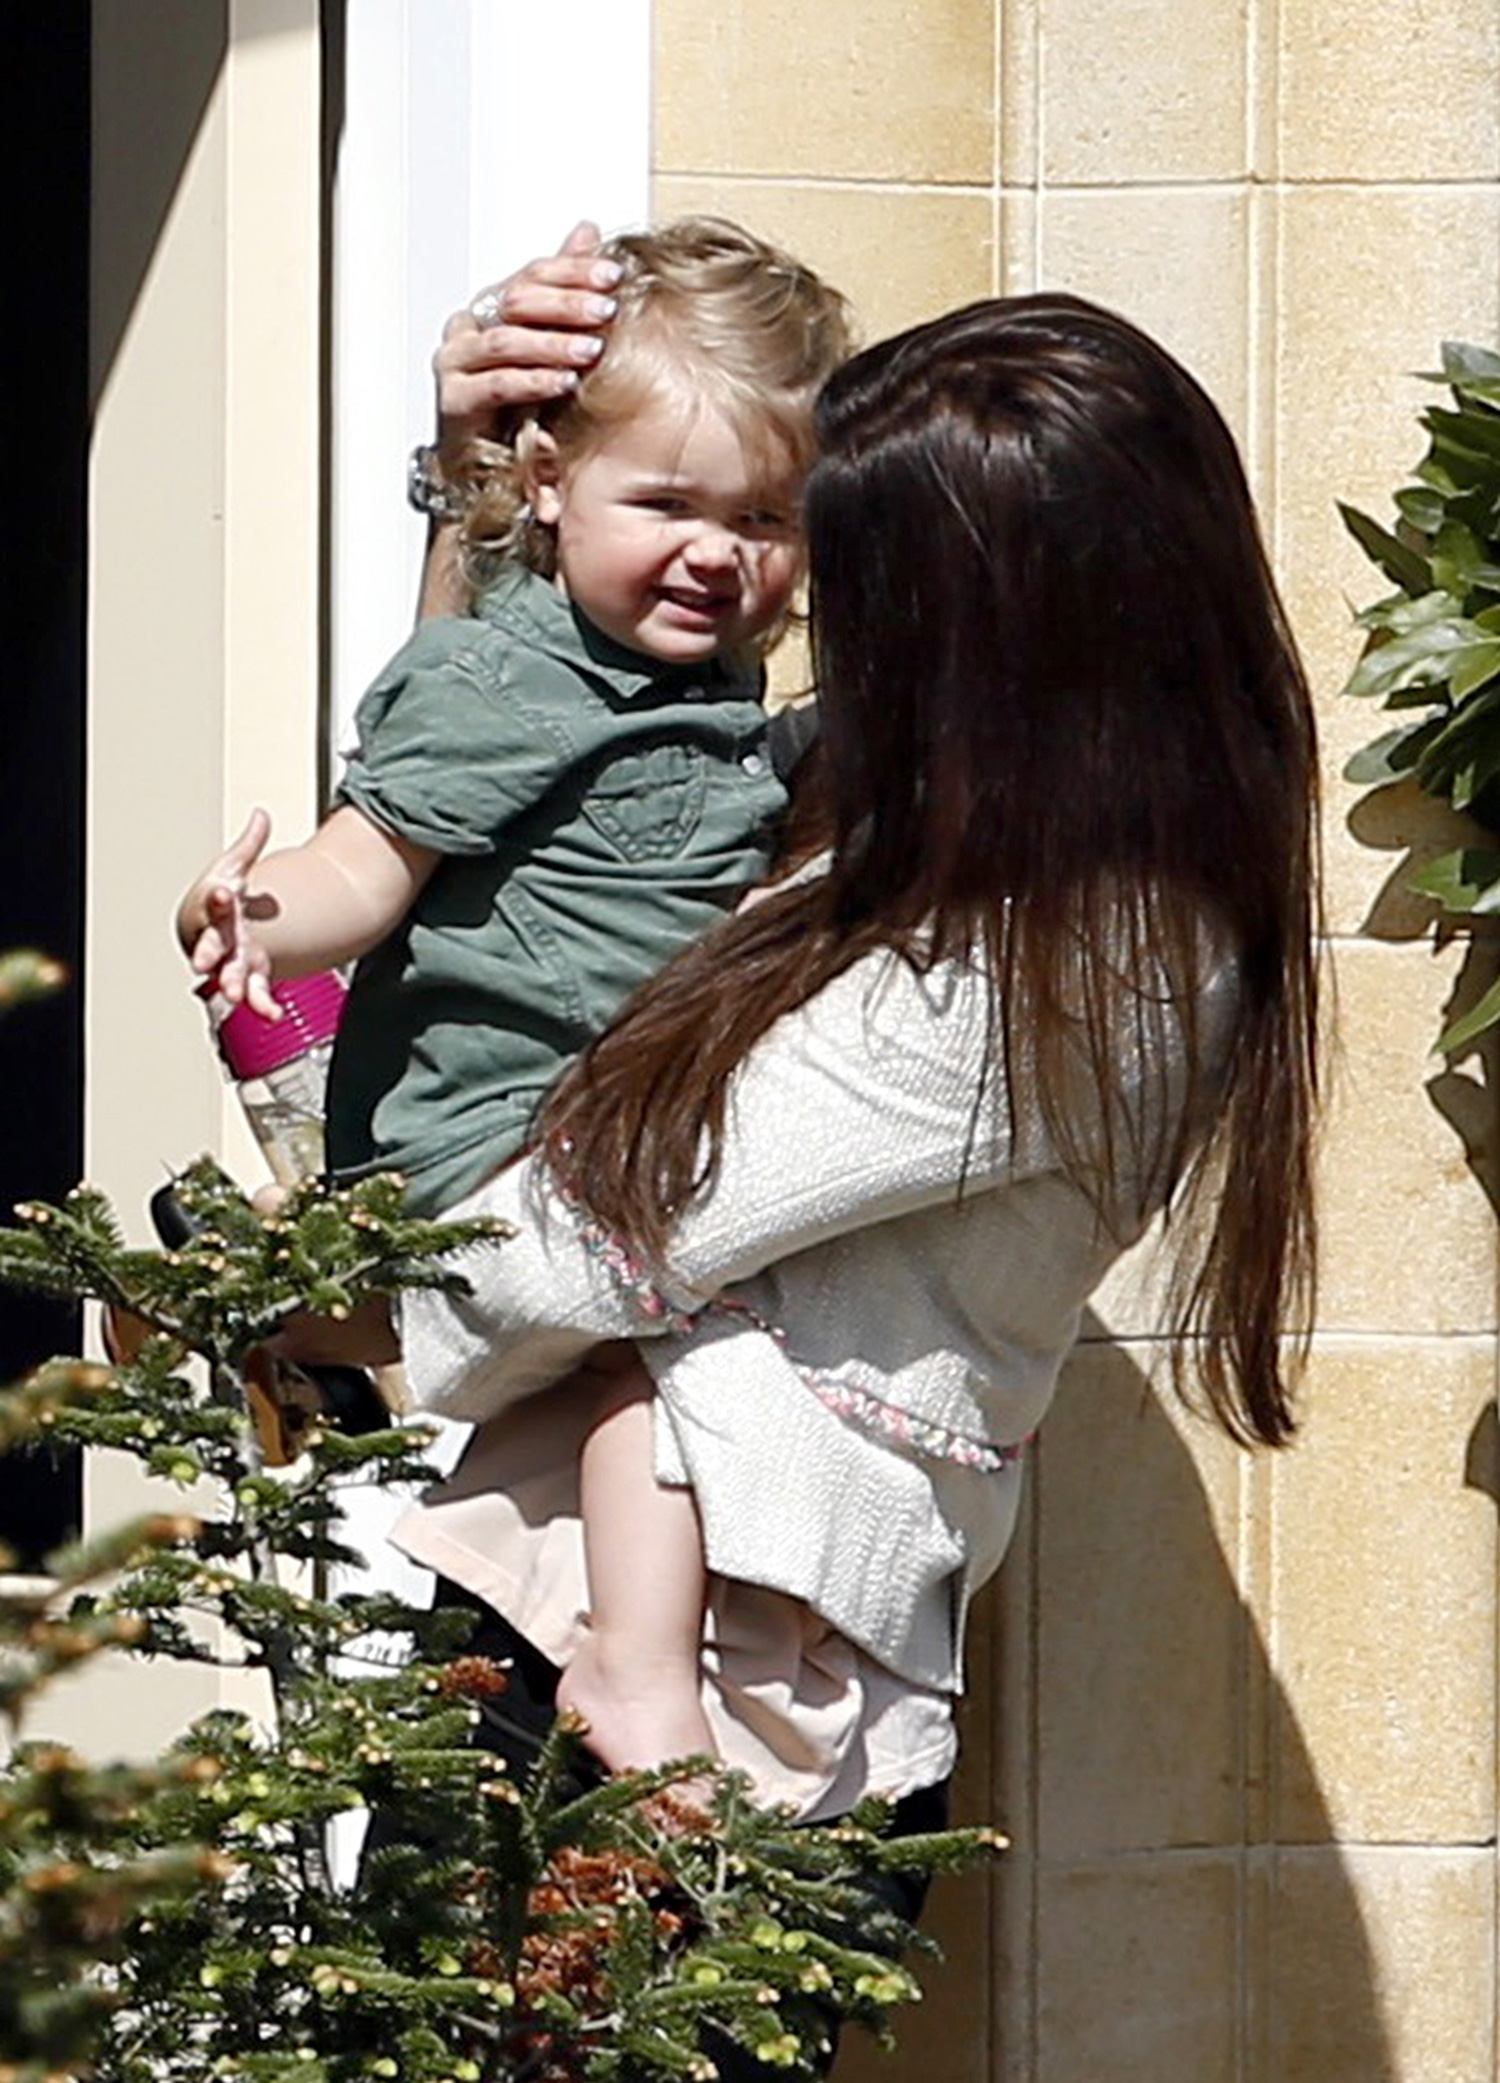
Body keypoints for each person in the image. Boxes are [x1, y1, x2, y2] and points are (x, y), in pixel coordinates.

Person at [305, 282, 1319, 1874]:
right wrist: (485, 498)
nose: (803, 611)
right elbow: (504, 857)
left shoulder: (1073, 952)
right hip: (557, 1610)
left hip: (735, 1729)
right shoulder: (917, 826)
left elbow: (614, 1230)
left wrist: (283, 1302)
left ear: (984, 623)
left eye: (846, 571)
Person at [176, 218, 852, 1776]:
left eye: (765, 518)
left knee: (671, 1362)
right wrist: (255, 920)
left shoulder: (710, 690)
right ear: (545, 488)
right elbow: (373, 861)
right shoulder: (504, 679)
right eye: (666, 503)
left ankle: (305, 1316)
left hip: (607, 1111)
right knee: (666, 1366)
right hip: (498, 1132)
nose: (716, 552)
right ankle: (641, 1675)